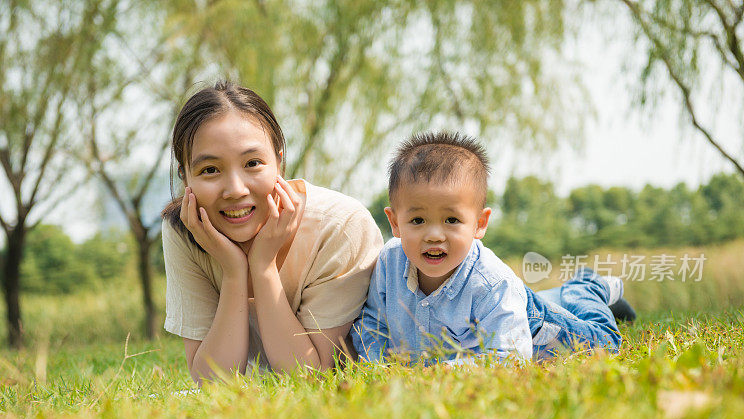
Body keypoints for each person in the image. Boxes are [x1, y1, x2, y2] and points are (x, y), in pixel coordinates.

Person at [161, 81, 383, 383]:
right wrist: (234, 272)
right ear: (185, 176)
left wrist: (263, 267)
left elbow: (310, 378)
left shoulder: (340, 227)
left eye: (253, 163)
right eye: (210, 170)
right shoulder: (188, 230)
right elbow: (214, 383)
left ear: (279, 162)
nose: (236, 190)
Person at [351, 131, 625, 365]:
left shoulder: (492, 282)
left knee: (605, 344)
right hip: (510, 305)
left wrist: (452, 371)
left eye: (452, 220)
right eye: (417, 220)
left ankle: (586, 287)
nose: (434, 235)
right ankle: (560, 293)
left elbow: (511, 356)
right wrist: (378, 366)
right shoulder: (389, 261)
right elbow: (371, 323)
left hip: (535, 328)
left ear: (479, 224)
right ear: (395, 222)